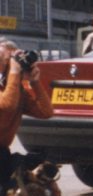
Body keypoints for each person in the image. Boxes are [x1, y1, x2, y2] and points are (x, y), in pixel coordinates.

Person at [0, 40, 54, 185]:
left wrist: (35, 82)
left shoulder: (14, 89)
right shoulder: (10, 87)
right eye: (7, 59)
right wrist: (14, 71)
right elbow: (7, 105)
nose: (11, 63)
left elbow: (46, 112)